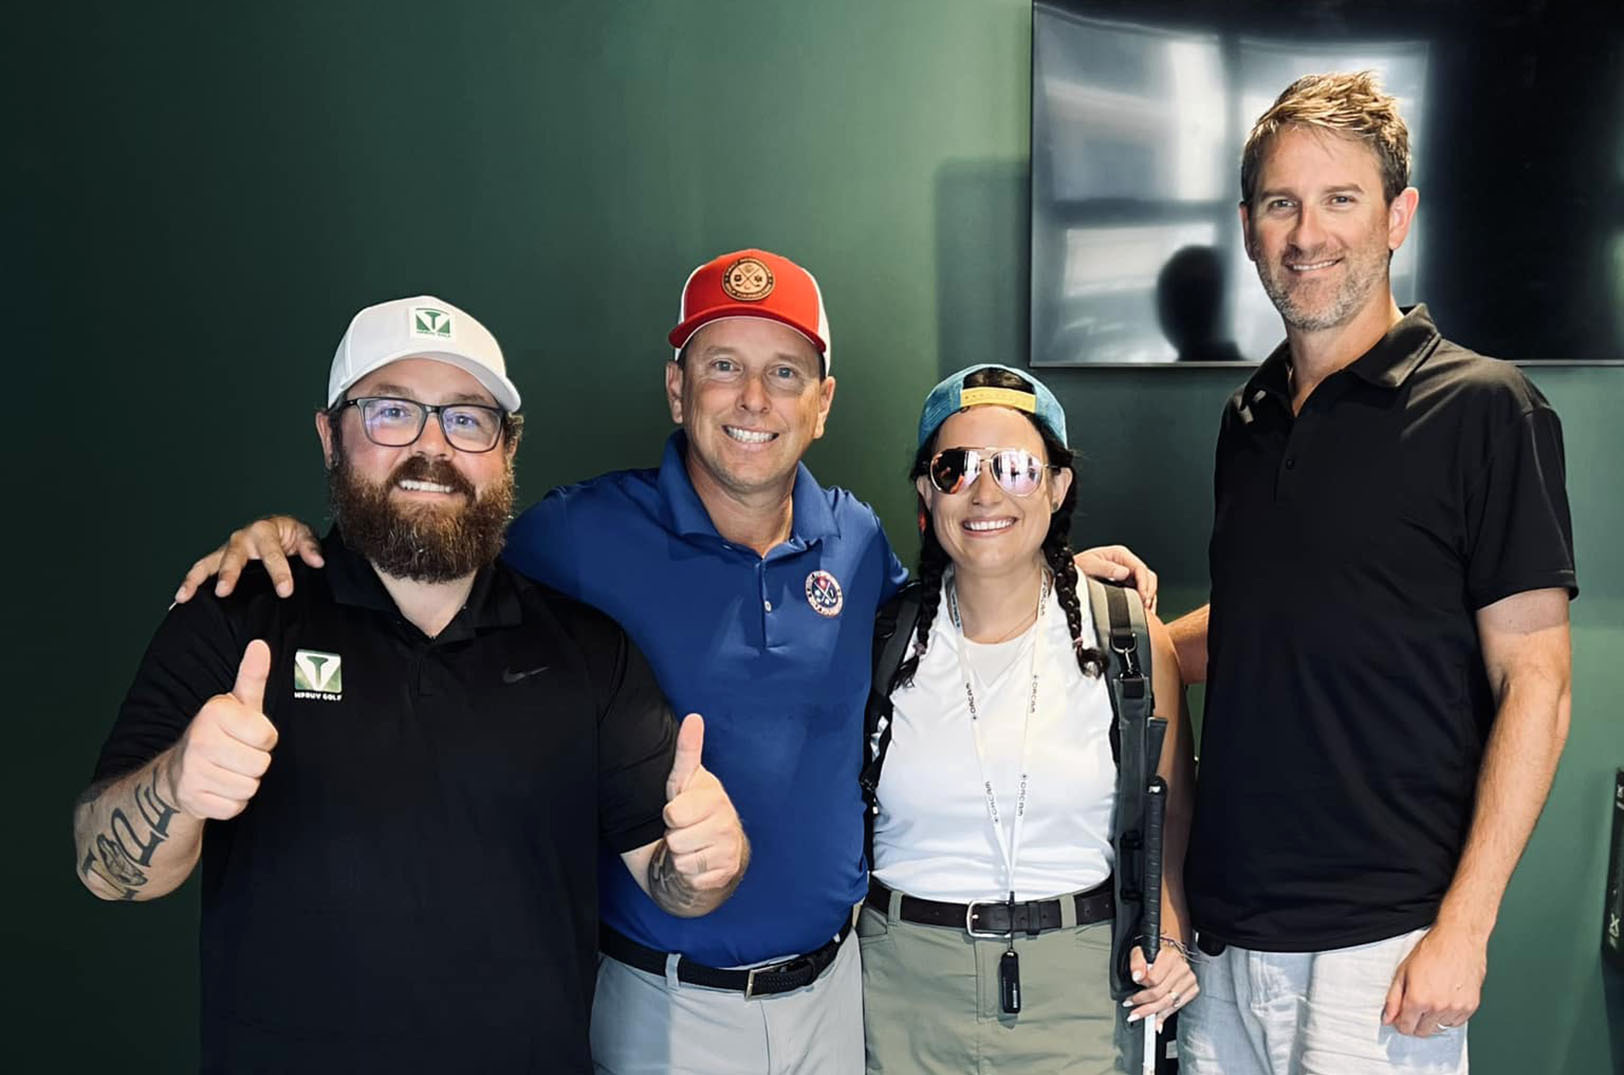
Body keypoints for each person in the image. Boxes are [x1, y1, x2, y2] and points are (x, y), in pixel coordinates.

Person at [172, 251, 1158, 1074]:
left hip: (839, 995)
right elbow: (425, 543)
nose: (753, 398)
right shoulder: (574, 535)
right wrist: (288, 538)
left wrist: (1055, 565)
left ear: (822, 403)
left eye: (784, 372)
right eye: (723, 364)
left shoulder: (856, 542)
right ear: (677, 387)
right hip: (660, 1001)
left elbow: (963, 591)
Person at [73, 296, 748, 1074]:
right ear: (330, 435)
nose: (432, 446)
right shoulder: (238, 616)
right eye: (391, 411)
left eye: (466, 418)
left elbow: (671, 878)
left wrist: (710, 861)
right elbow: (105, 871)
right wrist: (179, 785)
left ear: (506, 448)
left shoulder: (586, 649)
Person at [1166, 73, 1576, 1074]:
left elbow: (1538, 681)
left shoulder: (1487, 408)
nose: (1307, 234)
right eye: (1280, 203)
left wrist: (1465, 926)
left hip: (1384, 955)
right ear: (1248, 227)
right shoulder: (1247, 419)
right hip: (1222, 944)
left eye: (1339, 199)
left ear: (1397, 217)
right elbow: (1278, 615)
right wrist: (1114, 626)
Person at [858, 364, 1197, 1073]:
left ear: (1057, 486)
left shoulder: (1128, 638)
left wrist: (1171, 936)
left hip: (1082, 994)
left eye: (1015, 467)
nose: (985, 493)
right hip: (898, 992)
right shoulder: (882, 639)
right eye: (956, 468)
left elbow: (1171, 816)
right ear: (926, 490)